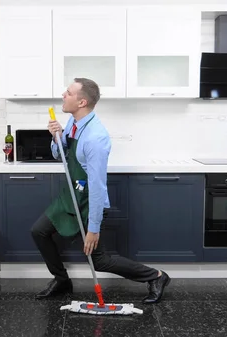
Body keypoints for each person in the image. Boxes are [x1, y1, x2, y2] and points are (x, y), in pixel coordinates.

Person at [30, 77, 171, 304]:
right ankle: (61, 280)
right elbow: (60, 156)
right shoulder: (73, 124)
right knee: (39, 231)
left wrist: (93, 229)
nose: (63, 95)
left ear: (82, 102)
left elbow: (97, 186)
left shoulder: (95, 137)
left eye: (68, 92)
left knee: (100, 260)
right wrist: (56, 138)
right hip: (70, 197)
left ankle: (156, 276)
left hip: (88, 201)